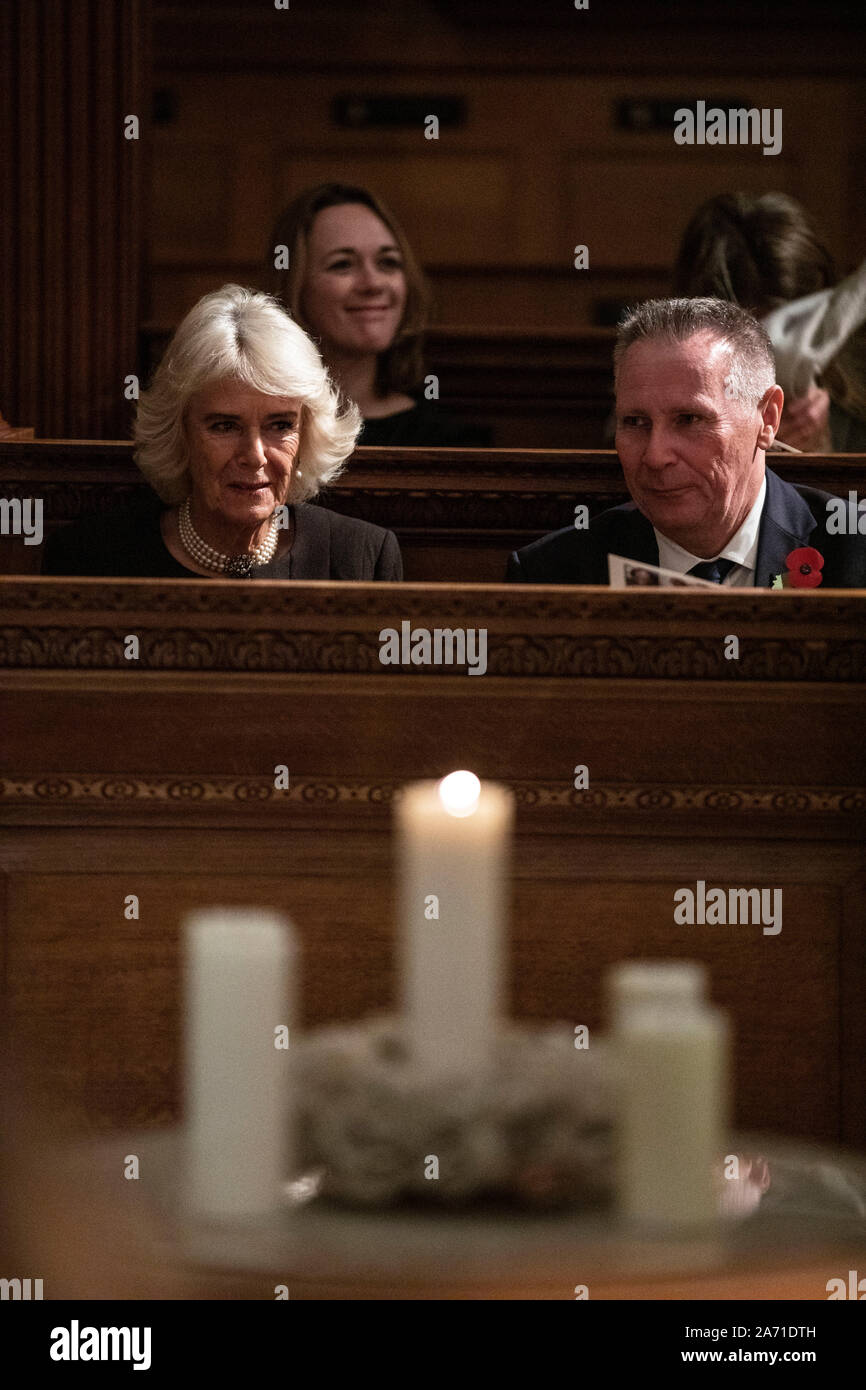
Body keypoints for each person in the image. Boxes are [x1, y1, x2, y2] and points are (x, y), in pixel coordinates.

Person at [41, 286, 402, 580]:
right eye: (225, 426)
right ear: (179, 431)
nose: (255, 455)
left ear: (307, 432)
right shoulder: (90, 561)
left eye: (280, 425)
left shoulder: (362, 560)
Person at [506, 298, 866, 588]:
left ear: (767, 418)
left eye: (690, 419)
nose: (655, 456)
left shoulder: (855, 552)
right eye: (635, 422)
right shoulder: (553, 574)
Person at [267, 183, 490, 446]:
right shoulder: (263, 432)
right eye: (343, 265)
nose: (373, 284)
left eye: (388, 262)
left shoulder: (448, 440)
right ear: (294, 284)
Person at [673, 193, 866, 452]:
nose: (774, 354)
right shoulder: (654, 387)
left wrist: (820, 454)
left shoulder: (851, 396)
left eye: (793, 329)